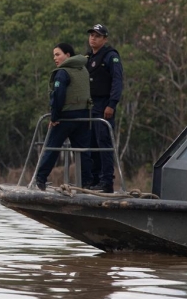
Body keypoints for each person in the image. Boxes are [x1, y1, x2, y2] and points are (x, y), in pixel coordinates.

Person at [33, 43, 93, 191]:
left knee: (51, 147)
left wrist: (54, 117)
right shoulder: (83, 70)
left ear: (68, 55)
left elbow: (59, 96)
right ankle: (87, 182)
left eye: (57, 54)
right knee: (83, 150)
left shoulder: (62, 73)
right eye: (54, 55)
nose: (55, 58)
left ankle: (39, 179)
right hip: (84, 116)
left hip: (66, 117)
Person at [85, 24, 123, 194]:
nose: (93, 38)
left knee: (103, 143)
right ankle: (94, 179)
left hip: (104, 105)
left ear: (105, 39)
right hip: (89, 106)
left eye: (97, 36)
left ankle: (107, 181)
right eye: (91, 35)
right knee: (91, 144)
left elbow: (117, 81)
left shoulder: (110, 56)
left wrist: (112, 104)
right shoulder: (86, 57)